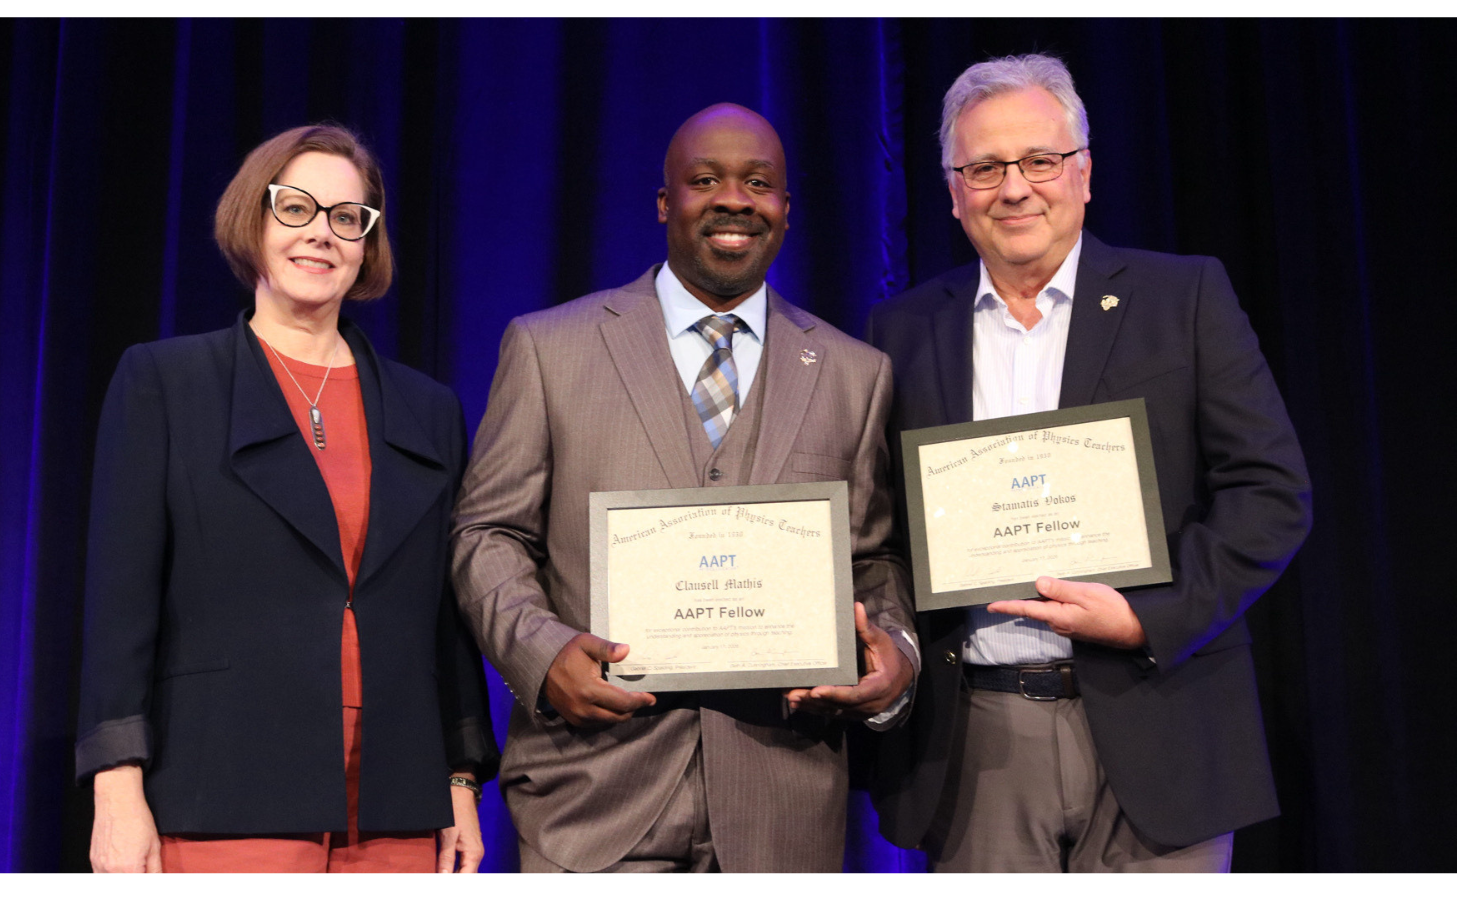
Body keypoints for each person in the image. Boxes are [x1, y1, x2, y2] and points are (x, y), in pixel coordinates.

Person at [867, 54, 1312, 872]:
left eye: (1040, 160)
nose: (1015, 188)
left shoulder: (1184, 299)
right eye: (985, 167)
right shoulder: (899, 332)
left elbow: (1270, 493)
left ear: (1085, 172)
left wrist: (1152, 617)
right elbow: (881, 529)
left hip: (1163, 719)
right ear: (953, 188)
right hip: (977, 747)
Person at [450, 103, 917, 873]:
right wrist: (544, 652)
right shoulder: (549, 349)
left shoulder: (852, 374)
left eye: (758, 183)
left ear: (786, 210)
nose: (734, 199)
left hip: (782, 809)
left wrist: (893, 655)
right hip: (592, 800)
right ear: (666, 203)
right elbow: (487, 534)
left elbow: (871, 561)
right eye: (706, 180)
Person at [76, 124, 497, 873]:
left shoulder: (426, 409)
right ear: (255, 217)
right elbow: (119, 609)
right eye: (296, 208)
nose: (321, 235)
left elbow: (445, 614)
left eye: (347, 218)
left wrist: (460, 780)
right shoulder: (167, 384)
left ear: (367, 243)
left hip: (395, 810)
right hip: (223, 797)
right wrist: (117, 788)